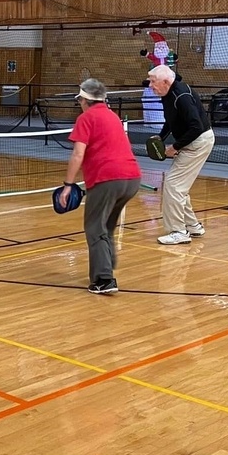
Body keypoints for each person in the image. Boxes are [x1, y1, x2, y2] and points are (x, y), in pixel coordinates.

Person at [60, 78, 143, 294]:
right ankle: (108, 262)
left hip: (107, 179)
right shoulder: (113, 116)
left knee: (94, 227)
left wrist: (68, 185)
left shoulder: (86, 118)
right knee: (106, 226)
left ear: (84, 100)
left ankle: (104, 279)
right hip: (132, 179)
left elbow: (78, 153)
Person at [145, 64, 215, 245]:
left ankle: (179, 232)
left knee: (174, 185)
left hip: (198, 142)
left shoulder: (181, 96)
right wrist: (160, 136)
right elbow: (171, 120)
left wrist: (174, 147)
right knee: (178, 186)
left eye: (153, 82)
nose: (150, 85)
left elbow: (196, 126)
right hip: (191, 140)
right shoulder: (167, 93)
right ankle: (193, 226)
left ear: (166, 81)